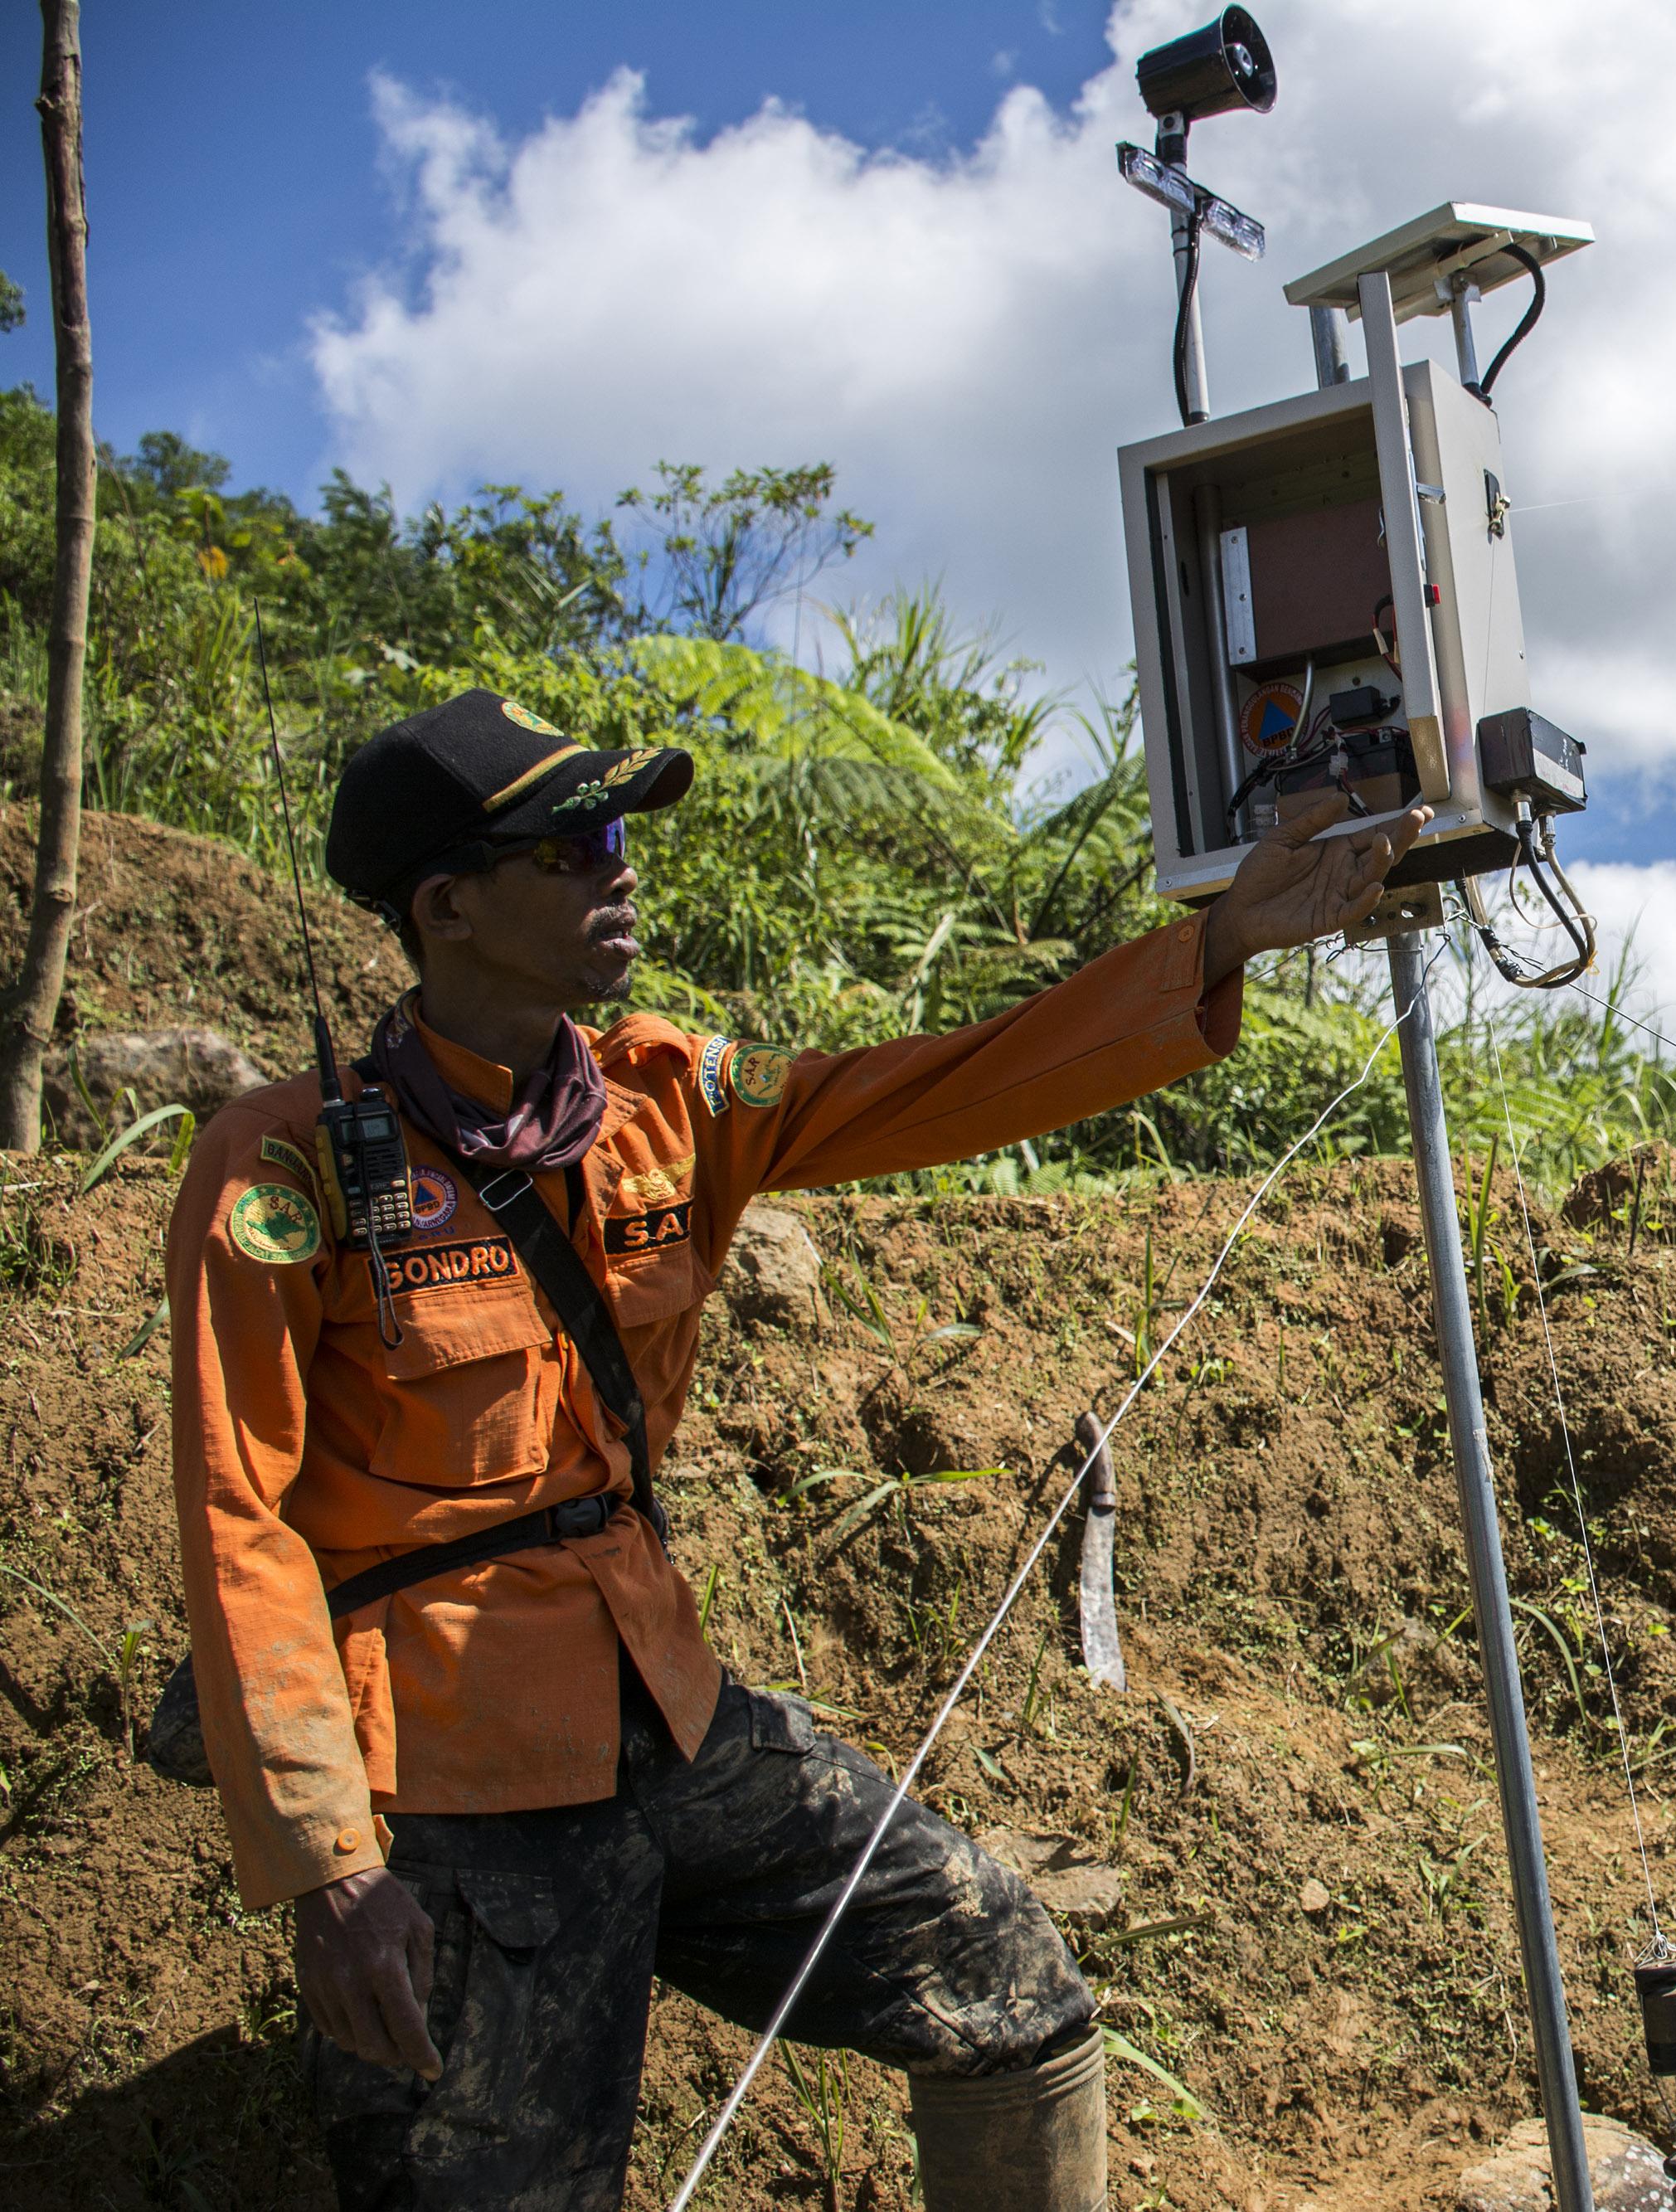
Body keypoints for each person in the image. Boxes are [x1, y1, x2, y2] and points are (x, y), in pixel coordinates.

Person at [168, 688, 1425, 2211]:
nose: (619, 871)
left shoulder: (664, 1098)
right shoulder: (286, 1161)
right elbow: (240, 1522)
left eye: (620, 836)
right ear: (448, 904)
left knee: (1007, 1989)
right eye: (573, 847)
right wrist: (327, 1860)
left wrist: (1215, 945)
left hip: (670, 1720)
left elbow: (941, 1087)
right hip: (446, 1784)